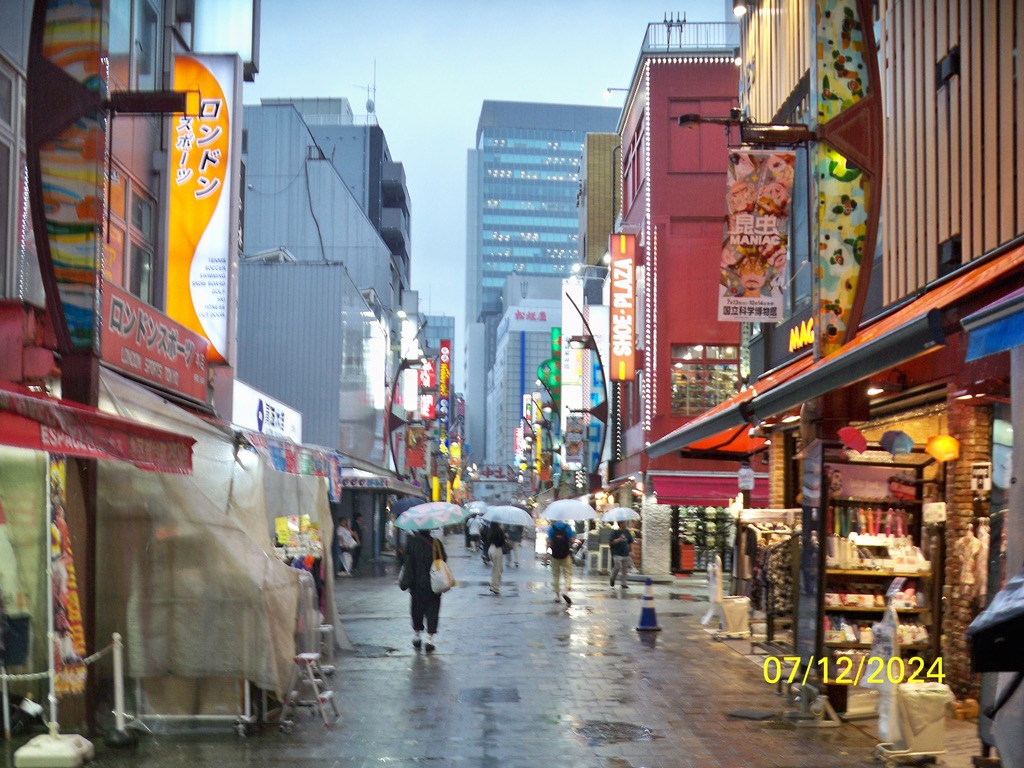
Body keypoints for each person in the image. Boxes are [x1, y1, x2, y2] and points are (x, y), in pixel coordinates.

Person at [398, 529, 445, 652]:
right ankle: (430, 639)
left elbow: (406, 561)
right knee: (433, 611)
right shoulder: (436, 543)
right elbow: (443, 559)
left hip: (416, 584)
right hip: (433, 583)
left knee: (416, 610)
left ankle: (417, 635)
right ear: (430, 530)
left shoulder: (412, 542)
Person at [547, 520, 575, 606]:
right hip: (565, 555)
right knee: (568, 574)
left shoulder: (552, 528)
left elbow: (549, 541)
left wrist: (546, 554)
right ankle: (566, 592)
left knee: (556, 575)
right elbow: (572, 540)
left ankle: (557, 596)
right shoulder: (568, 527)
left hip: (555, 555)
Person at [609, 521, 635, 589]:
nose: (626, 524)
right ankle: (612, 578)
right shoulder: (614, 532)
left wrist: (631, 551)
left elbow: (630, 542)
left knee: (624, 569)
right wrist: (620, 539)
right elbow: (612, 542)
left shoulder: (627, 532)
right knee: (617, 567)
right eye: (624, 523)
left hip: (625, 553)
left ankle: (623, 583)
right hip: (617, 553)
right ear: (620, 524)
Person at [487, 522, 508, 595]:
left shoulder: (490, 530)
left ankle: (493, 584)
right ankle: (495, 587)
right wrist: (505, 536)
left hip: (491, 549)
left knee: (496, 568)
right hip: (497, 550)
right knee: (498, 569)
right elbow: (500, 542)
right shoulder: (499, 530)